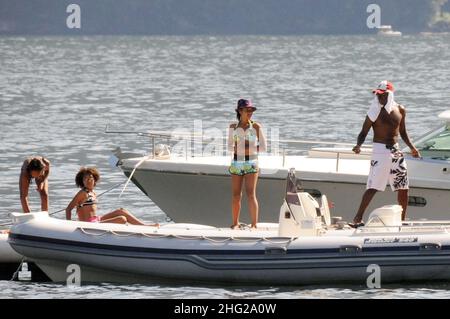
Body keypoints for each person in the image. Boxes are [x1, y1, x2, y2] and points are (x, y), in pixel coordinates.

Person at [350, 81, 421, 227]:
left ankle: (402, 220)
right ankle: (357, 218)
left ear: (389, 95)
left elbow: (402, 132)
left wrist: (413, 148)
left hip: (396, 151)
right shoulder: (374, 111)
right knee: (373, 187)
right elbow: (363, 132)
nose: (379, 98)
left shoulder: (400, 110)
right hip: (380, 151)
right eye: (377, 95)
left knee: (403, 187)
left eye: (382, 95)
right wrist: (358, 145)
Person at [65, 167, 158, 226]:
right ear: (82, 181)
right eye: (85, 178)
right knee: (122, 219)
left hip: (97, 219)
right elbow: (68, 209)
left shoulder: (93, 193)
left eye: (91, 178)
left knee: (121, 211)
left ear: (95, 180)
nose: (88, 180)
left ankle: (144, 226)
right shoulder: (82, 193)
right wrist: (68, 225)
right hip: (89, 224)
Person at [228, 99, 267, 229]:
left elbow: (263, 147)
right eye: (247, 110)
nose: (250, 112)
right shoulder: (233, 127)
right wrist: (247, 148)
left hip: (251, 162)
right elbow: (229, 147)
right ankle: (235, 224)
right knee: (236, 195)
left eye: (251, 110)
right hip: (237, 162)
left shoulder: (256, 126)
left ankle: (254, 225)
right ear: (240, 111)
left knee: (251, 194)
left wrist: (243, 149)